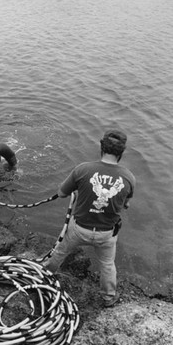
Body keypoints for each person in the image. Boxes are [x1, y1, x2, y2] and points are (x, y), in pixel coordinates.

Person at [42, 129, 136, 307]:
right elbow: (126, 204)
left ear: (101, 146)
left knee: (60, 252)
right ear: (122, 152)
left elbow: (61, 193)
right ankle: (108, 297)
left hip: (79, 230)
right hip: (107, 234)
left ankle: (45, 275)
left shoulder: (83, 169)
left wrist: (78, 189)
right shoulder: (129, 177)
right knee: (108, 265)